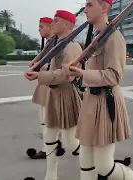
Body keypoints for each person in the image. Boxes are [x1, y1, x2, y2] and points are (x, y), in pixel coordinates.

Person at [63, 0, 133, 179]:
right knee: (86, 162)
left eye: (90, 5)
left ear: (104, 8)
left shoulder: (114, 37)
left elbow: (114, 76)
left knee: (104, 167)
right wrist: (72, 72)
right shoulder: (96, 37)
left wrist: (83, 73)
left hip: (106, 102)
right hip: (90, 102)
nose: (85, 10)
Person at [24, 10, 82, 180]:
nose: (52, 24)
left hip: (65, 95)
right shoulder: (57, 43)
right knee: (49, 137)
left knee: (72, 143)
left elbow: (67, 75)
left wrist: (40, 75)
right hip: (53, 94)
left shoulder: (71, 46)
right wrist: (39, 69)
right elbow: (52, 67)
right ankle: (51, 176)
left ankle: (99, 168)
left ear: (66, 25)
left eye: (55, 21)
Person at [26, 17, 55, 159]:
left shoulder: (56, 43)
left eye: (41, 27)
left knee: (46, 120)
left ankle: (48, 148)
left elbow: (55, 67)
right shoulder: (50, 43)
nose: (39, 30)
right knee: (46, 119)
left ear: (51, 26)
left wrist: (38, 67)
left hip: (51, 84)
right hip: (46, 83)